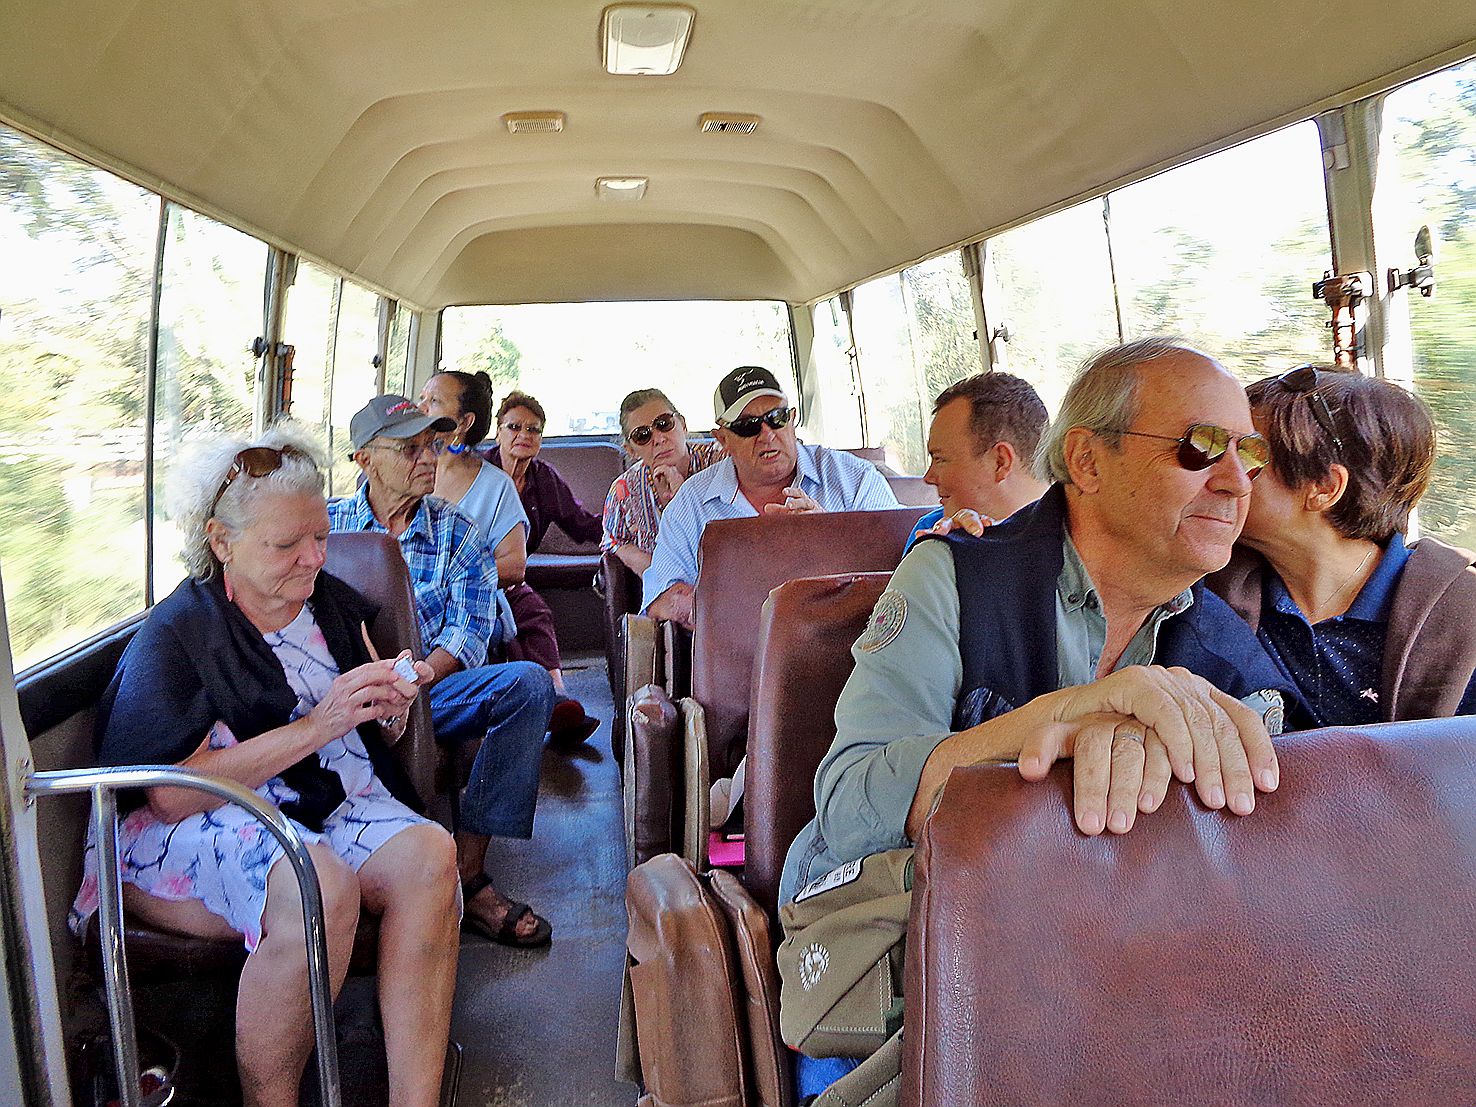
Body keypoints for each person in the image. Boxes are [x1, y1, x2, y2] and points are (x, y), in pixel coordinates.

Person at [783, 338, 1300, 903]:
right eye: (1201, 446)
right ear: (1087, 460)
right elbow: (850, 805)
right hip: (917, 927)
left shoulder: (1232, 654)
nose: (1236, 482)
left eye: (1249, 455)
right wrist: (1061, 719)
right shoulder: (954, 578)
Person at [70, 424, 458, 1107]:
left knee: (431, 855)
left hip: (318, 799)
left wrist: (386, 706)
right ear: (223, 541)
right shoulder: (179, 633)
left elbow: (371, 718)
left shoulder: (329, 604)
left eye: (319, 537)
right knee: (318, 884)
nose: (313, 558)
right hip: (188, 823)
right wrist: (319, 724)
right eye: (287, 544)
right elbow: (170, 797)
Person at [330, 395, 557, 947]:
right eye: (409, 448)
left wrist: (420, 677)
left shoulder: (458, 532)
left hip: (435, 687)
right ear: (363, 458)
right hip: (340, 692)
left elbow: (470, 629)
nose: (428, 458)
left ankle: (468, 872)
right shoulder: (326, 530)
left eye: (432, 445)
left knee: (527, 687)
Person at [1207, 365, 1476, 725]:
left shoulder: (1462, 620)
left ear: (1324, 487)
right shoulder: (1208, 594)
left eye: (1250, 454)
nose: (1219, 474)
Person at [643, 365, 901, 628]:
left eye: (777, 418)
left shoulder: (854, 479)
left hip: (851, 648)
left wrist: (831, 537)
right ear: (723, 439)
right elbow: (661, 598)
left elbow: (902, 570)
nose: (767, 434)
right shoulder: (692, 503)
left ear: (792, 420)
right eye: (748, 426)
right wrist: (745, 609)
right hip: (738, 659)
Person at [485, 388, 603, 744]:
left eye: (533, 430)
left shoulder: (544, 479)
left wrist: (625, 528)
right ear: (498, 431)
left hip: (511, 579)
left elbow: (582, 525)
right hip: (474, 575)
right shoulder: (477, 474)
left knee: (533, 611)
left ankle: (556, 697)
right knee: (513, 617)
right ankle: (537, 708)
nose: (524, 435)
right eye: (514, 427)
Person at [908, 371, 1049, 547]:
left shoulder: (1082, 535)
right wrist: (948, 557)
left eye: (940, 459)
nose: (928, 477)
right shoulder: (932, 532)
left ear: (1000, 462)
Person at [602, 387, 725, 578]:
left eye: (664, 424)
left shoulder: (722, 463)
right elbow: (613, 541)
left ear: (682, 425)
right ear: (631, 450)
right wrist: (660, 573)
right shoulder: (624, 490)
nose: (658, 439)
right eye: (642, 436)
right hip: (666, 593)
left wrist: (684, 496)